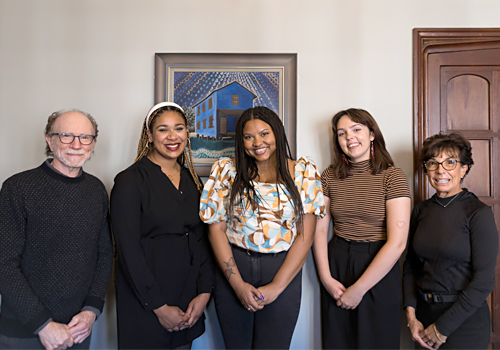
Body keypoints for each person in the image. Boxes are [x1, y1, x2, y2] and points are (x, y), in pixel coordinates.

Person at [200, 106, 325, 349]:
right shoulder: (227, 171)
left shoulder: (303, 172)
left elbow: (305, 235)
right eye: (248, 137)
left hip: (283, 269)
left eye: (264, 133)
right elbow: (216, 229)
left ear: (277, 133)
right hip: (234, 269)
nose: (257, 142)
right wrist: (237, 285)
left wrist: (277, 287)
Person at [0, 110, 113, 350]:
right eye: (66, 136)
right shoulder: (17, 188)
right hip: (25, 332)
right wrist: (43, 325)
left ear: (93, 143)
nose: (76, 144)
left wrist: (91, 311)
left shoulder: (96, 190)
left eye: (85, 137)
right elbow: (4, 264)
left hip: (77, 329)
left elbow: (104, 254)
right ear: (49, 140)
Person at [110, 102, 214, 349]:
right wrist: (158, 306)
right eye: (162, 129)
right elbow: (128, 251)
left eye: (178, 128)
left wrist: (203, 293)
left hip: (187, 297)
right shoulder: (129, 181)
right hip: (145, 299)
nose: (172, 137)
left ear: (187, 132)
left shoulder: (192, 181)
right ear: (149, 134)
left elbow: (202, 240)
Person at [313, 108, 411, 349]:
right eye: (342, 133)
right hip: (336, 261)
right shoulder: (328, 176)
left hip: (378, 264)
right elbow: (318, 230)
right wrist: (326, 279)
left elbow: (397, 243)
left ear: (372, 134)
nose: (349, 138)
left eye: (357, 130)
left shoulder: (392, 177)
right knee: (338, 342)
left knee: (375, 342)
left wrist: (359, 289)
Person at [403, 133, 498, 350]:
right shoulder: (421, 210)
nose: (440, 170)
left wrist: (442, 328)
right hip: (423, 319)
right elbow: (410, 265)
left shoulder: (478, 213)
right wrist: (411, 315)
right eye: (432, 163)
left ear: (464, 168)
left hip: (464, 322)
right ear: (426, 169)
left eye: (450, 162)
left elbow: (484, 281)